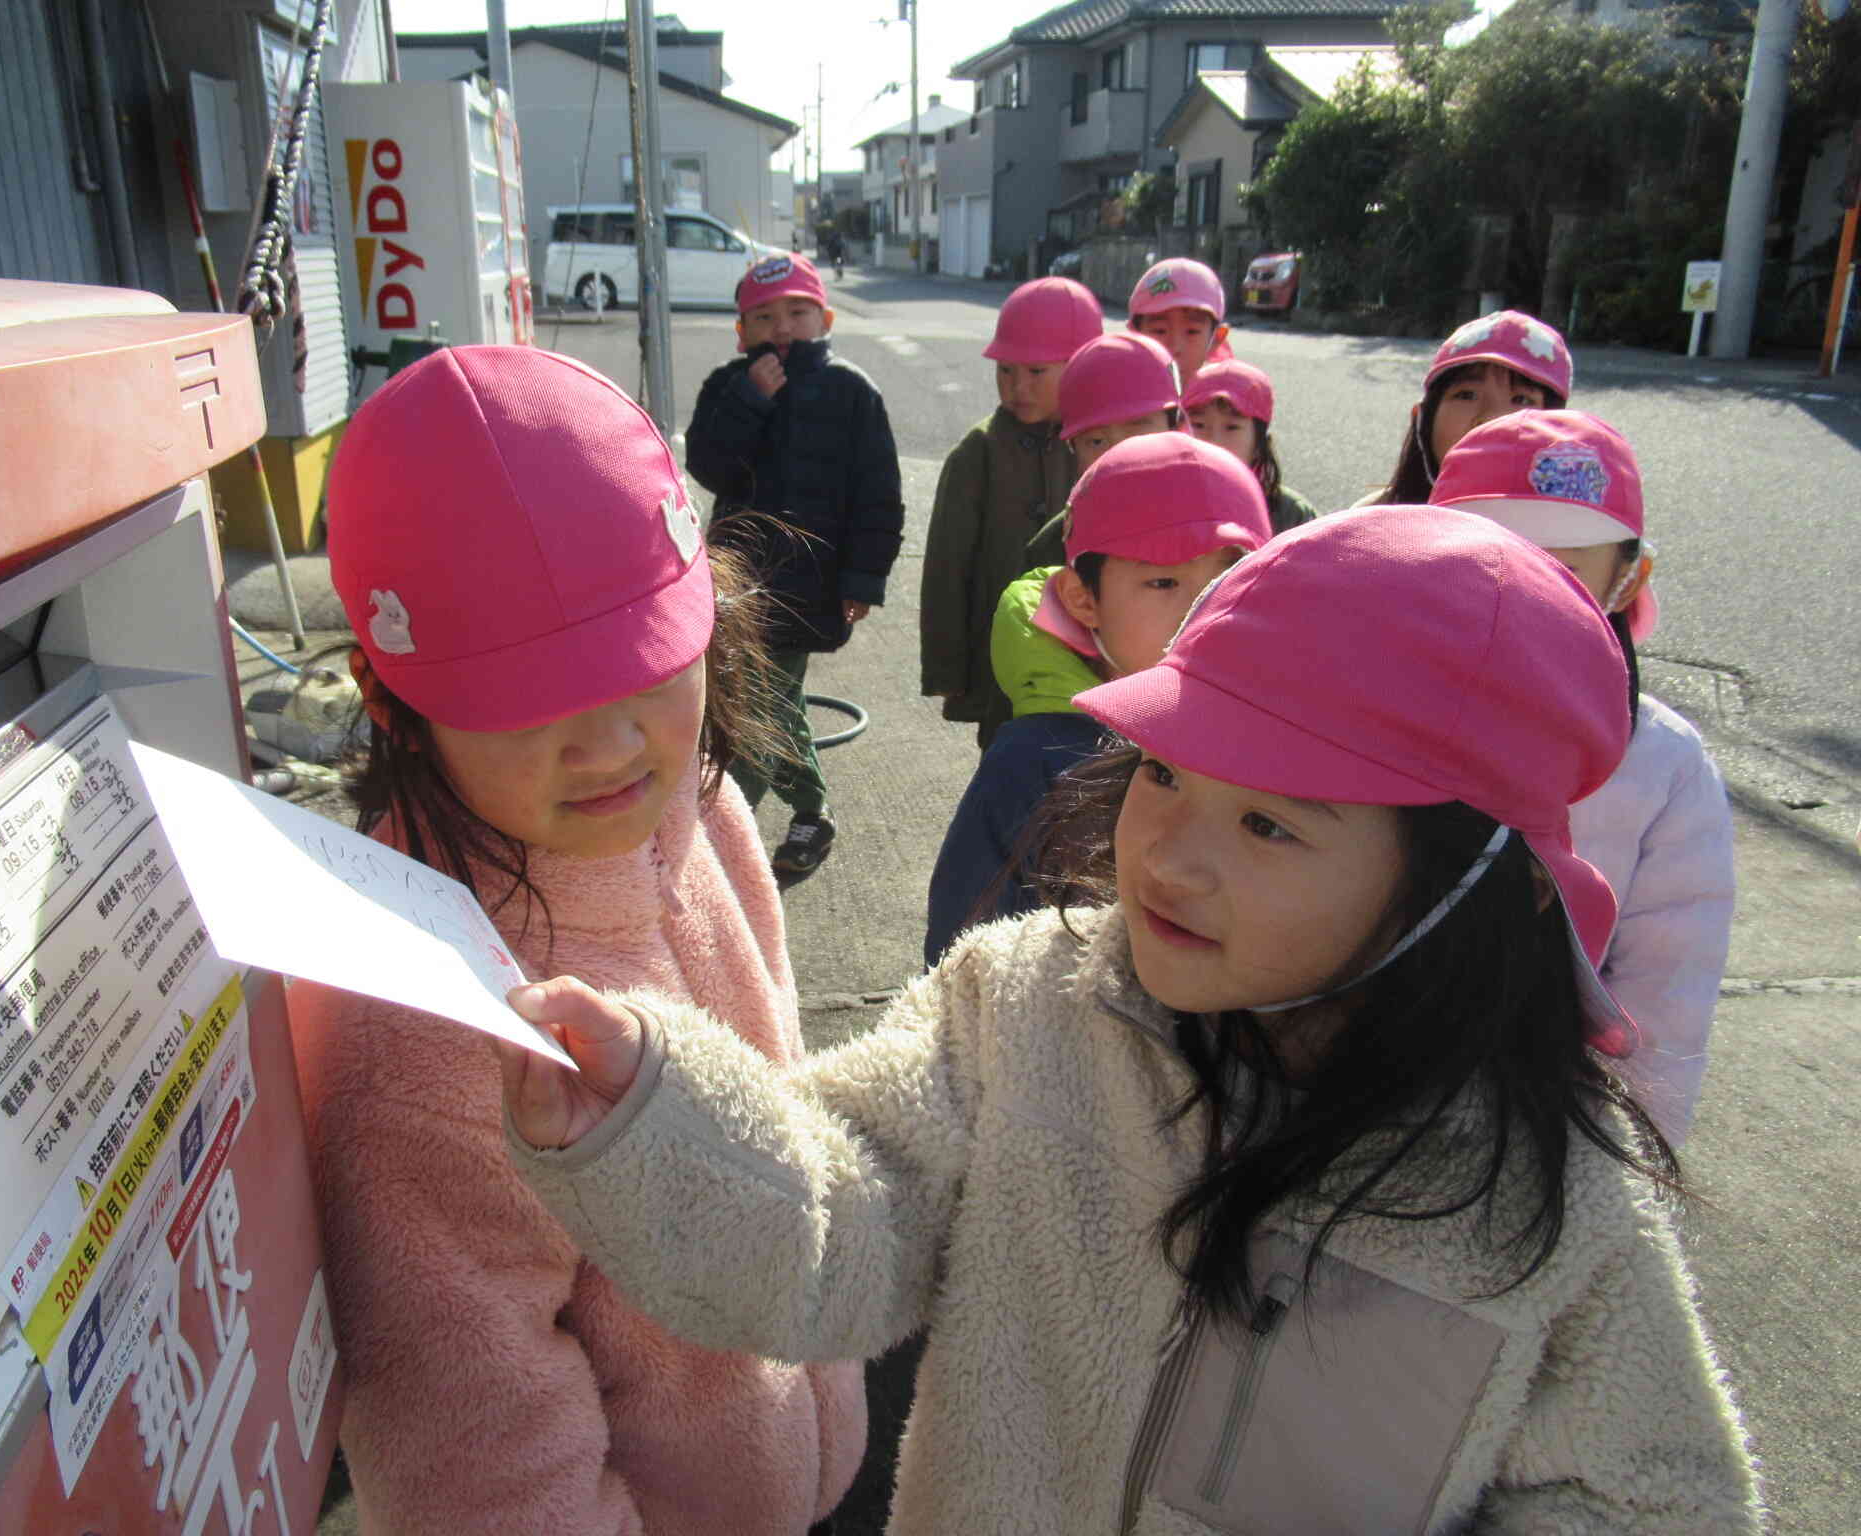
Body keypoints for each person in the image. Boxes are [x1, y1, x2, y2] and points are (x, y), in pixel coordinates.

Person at [493, 507, 1763, 1536]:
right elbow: (843, 1218)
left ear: (1460, 882)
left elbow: (1653, 1496)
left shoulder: (1542, 1200)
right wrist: (653, 1122)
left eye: (1268, 823)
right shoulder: (1022, 1009)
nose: (1166, 856)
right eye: (1163, 771)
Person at [291, 345, 867, 1535]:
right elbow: (478, 1450)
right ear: (391, 699)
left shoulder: (696, 806)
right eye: (520, 696)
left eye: (644, 661)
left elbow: (785, 1085)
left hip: (802, 1450)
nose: (609, 746)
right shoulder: (432, 1021)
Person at [1431, 409, 1733, 1145]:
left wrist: (1625, 1173)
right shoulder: (1356, 706)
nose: (1522, 601)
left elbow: (1664, 1008)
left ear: (1628, 580)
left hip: (1539, 1134)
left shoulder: (1666, 768)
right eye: (1491, 564)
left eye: (1564, 575)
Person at [925, 433, 1271, 964]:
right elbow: (966, 949)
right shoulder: (1035, 757)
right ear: (1082, 598)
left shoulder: (1280, 738)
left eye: (1230, 577)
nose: (1203, 608)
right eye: (1162, 582)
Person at [687, 251, 904, 875]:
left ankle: (735, 833)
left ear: (825, 317)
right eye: (763, 316)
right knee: (767, 700)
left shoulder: (852, 391)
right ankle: (808, 810)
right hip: (739, 581)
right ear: (741, 331)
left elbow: (877, 495)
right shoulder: (727, 387)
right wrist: (749, 401)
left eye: (797, 312)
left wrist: (864, 579)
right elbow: (711, 466)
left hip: (813, 582)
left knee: (761, 706)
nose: (781, 328)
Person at [920, 275, 1104, 746]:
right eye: (1005, 370)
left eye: (1036, 372)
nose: (1017, 386)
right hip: (1003, 655)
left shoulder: (1106, 444)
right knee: (1006, 759)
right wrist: (948, 667)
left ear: (1085, 365)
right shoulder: (978, 452)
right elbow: (947, 566)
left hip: (1095, 656)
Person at [1370, 309, 1572, 504]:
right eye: (1467, 395)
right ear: (1423, 419)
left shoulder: (1586, 532)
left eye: (1522, 400)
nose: (1492, 418)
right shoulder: (1370, 525)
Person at [1181, 358, 1317, 535]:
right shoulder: (1164, 501)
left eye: (1231, 427)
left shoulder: (1292, 515)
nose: (1213, 441)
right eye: (1198, 425)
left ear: (1259, 444)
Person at [1058, 329, 1187, 473]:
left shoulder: (1207, 490)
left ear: (1175, 426)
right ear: (1073, 448)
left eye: (1137, 439)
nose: (1120, 461)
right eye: (1097, 442)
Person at [1127, 255, 1232, 386]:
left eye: (1192, 331)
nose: (1175, 347)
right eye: (1159, 331)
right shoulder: (1119, 395)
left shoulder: (1224, 402)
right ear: (1135, 336)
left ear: (1216, 338)